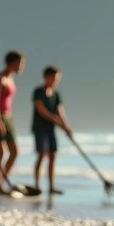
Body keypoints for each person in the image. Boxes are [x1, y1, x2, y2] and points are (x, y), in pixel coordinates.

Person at [0, 51, 24, 195]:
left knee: (14, 151)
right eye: (20, 63)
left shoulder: (11, 79)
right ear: (13, 62)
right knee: (0, 152)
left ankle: (3, 180)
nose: (22, 66)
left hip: (7, 116)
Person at [31, 65, 72, 194]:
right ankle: (37, 185)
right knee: (41, 154)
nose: (55, 81)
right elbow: (40, 109)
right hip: (39, 128)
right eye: (53, 78)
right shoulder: (38, 91)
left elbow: (60, 111)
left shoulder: (56, 94)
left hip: (51, 130)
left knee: (52, 155)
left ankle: (51, 186)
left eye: (57, 78)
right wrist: (54, 118)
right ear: (46, 77)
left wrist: (66, 127)